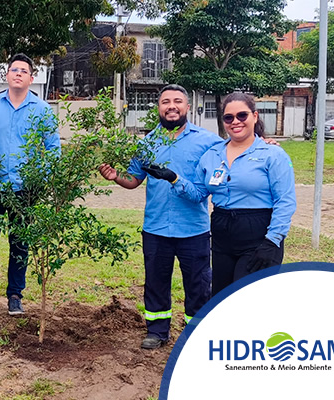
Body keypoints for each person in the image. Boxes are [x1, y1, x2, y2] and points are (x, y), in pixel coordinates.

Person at [98, 84, 223, 349]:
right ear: (158, 108)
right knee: (155, 282)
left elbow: (234, 151)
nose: (171, 106)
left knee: (198, 285)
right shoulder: (147, 143)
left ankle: (196, 333)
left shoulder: (207, 141)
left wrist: (262, 141)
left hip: (194, 229)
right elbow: (134, 179)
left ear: (188, 106)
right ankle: (157, 331)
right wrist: (115, 177)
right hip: (156, 228)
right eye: (165, 102)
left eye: (178, 101)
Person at [145, 92, 296, 295]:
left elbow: (285, 201)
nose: (235, 122)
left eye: (242, 115)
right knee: (222, 299)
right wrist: (173, 178)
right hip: (222, 234)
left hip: (258, 234)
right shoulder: (213, 154)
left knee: (247, 298)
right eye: (229, 117)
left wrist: (272, 241)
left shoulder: (272, 154)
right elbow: (199, 193)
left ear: (255, 116)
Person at [0, 53, 60, 316]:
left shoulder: (42, 110)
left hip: (25, 189)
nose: (18, 73)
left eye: (24, 71)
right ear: (6, 75)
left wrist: (40, 179)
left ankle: (15, 294)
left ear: (32, 78)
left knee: (20, 242)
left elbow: (53, 149)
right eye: (14, 69)